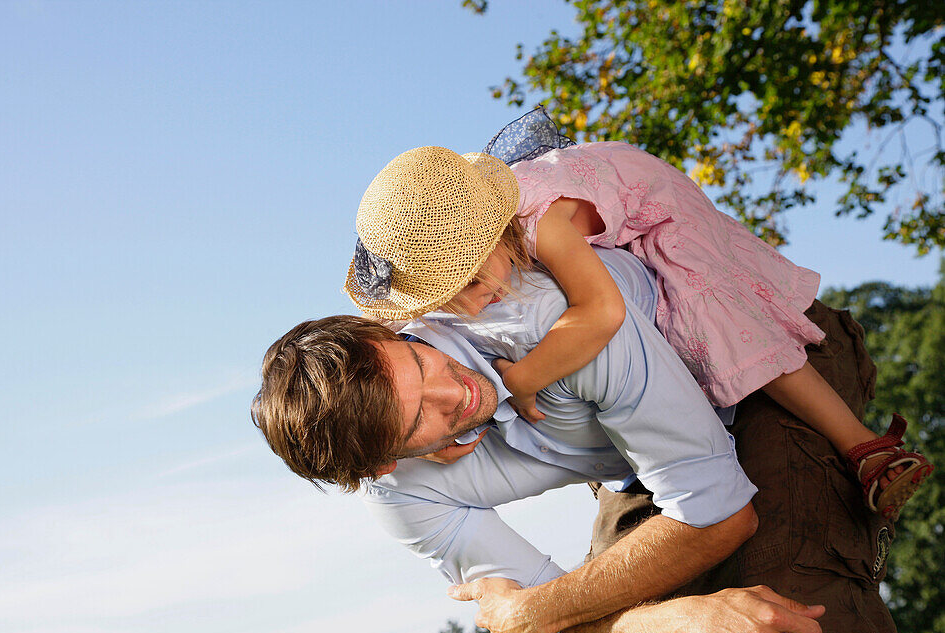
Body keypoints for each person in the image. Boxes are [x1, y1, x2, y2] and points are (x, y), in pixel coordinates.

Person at [253, 246, 923, 633]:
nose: (453, 390)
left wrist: (546, 609)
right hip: (647, 458)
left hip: (768, 363)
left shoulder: (546, 319)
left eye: (420, 361)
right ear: (382, 467)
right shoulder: (402, 499)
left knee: (803, 606)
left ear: (389, 332)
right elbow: (555, 630)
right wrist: (680, 621)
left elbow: (720, 518)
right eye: (417, 417)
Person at [345, 108, 931, 519]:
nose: (470, 305)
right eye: (447, 296)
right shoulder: (476, 245)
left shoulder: (541, 223)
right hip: (593, 202)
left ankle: (864, 449)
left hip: (655, 210)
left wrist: (517, 380)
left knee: (720, 328)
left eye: (471, 281)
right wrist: (430, 425)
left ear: (497, 231)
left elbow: (602, 313)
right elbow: (398, 351)